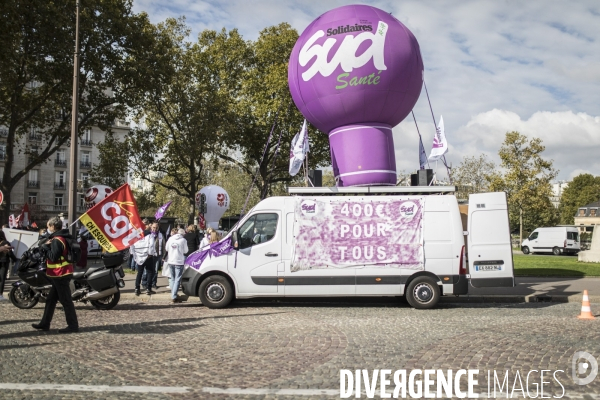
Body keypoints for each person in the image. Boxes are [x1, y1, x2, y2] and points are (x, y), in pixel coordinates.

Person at [32, 217, 79, 333]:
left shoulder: (57, 240)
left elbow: (53, 257)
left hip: (60, 274)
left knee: (66, 300)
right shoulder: (63, 237)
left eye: (48, 226)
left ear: (53, 226)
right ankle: (45, 323)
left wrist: (44, 247)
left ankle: (73, 326)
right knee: (50, 300)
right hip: (61, 273)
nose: (48, 229)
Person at [131, 220, 157, 296]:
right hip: (147, 256)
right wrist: (150, 253)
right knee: (149, 272)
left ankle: (137, 288)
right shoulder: (150, 235)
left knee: (140, 273)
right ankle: (148, 289)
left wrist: (134, 254)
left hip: (139, 256)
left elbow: (131, 245)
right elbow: (151, 245)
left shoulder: (136, 235)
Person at [165, 228, 188, 303]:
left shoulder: (170, 238)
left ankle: (173, 294)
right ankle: (174, 296)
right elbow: (186, 251)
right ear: (183, 234)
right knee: (177, 279)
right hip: (179, 261)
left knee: (172, 278)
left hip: (171, 260)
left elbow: (166, 248)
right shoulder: (183, 240)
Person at [142, 222, 164, 290]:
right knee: (146, 270)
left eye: (156, 227)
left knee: (155, 270)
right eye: (154, 227)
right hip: (149, 255)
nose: (155, 229)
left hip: (157, 255)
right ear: (151, 227)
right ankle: (144, 283)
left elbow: (163, 246)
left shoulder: (160, 235)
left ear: (158, 228)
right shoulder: (147, 235)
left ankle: (153, 283)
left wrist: (163, 256)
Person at [0, 231, 18, 301]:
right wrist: (15, 259)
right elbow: (10, 253)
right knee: (2, 279)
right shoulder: (5, 243)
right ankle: (0, 294)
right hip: (3, 262)